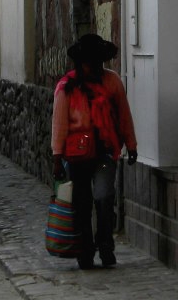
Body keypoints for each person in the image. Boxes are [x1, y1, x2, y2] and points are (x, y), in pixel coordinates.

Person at [51, 33, 137, 270]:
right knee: (82, 203)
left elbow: (123, 115)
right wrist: (57, 157)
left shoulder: (112, 83)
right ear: (81, 62)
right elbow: (59, 124)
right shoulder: (66, 88)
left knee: (104, 196)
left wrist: (131, 144)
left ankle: (106, 245)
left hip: (105, 152)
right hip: (76, 156)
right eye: (91, 62)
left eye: (99, 61)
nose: (96, 66)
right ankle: (85, 250)